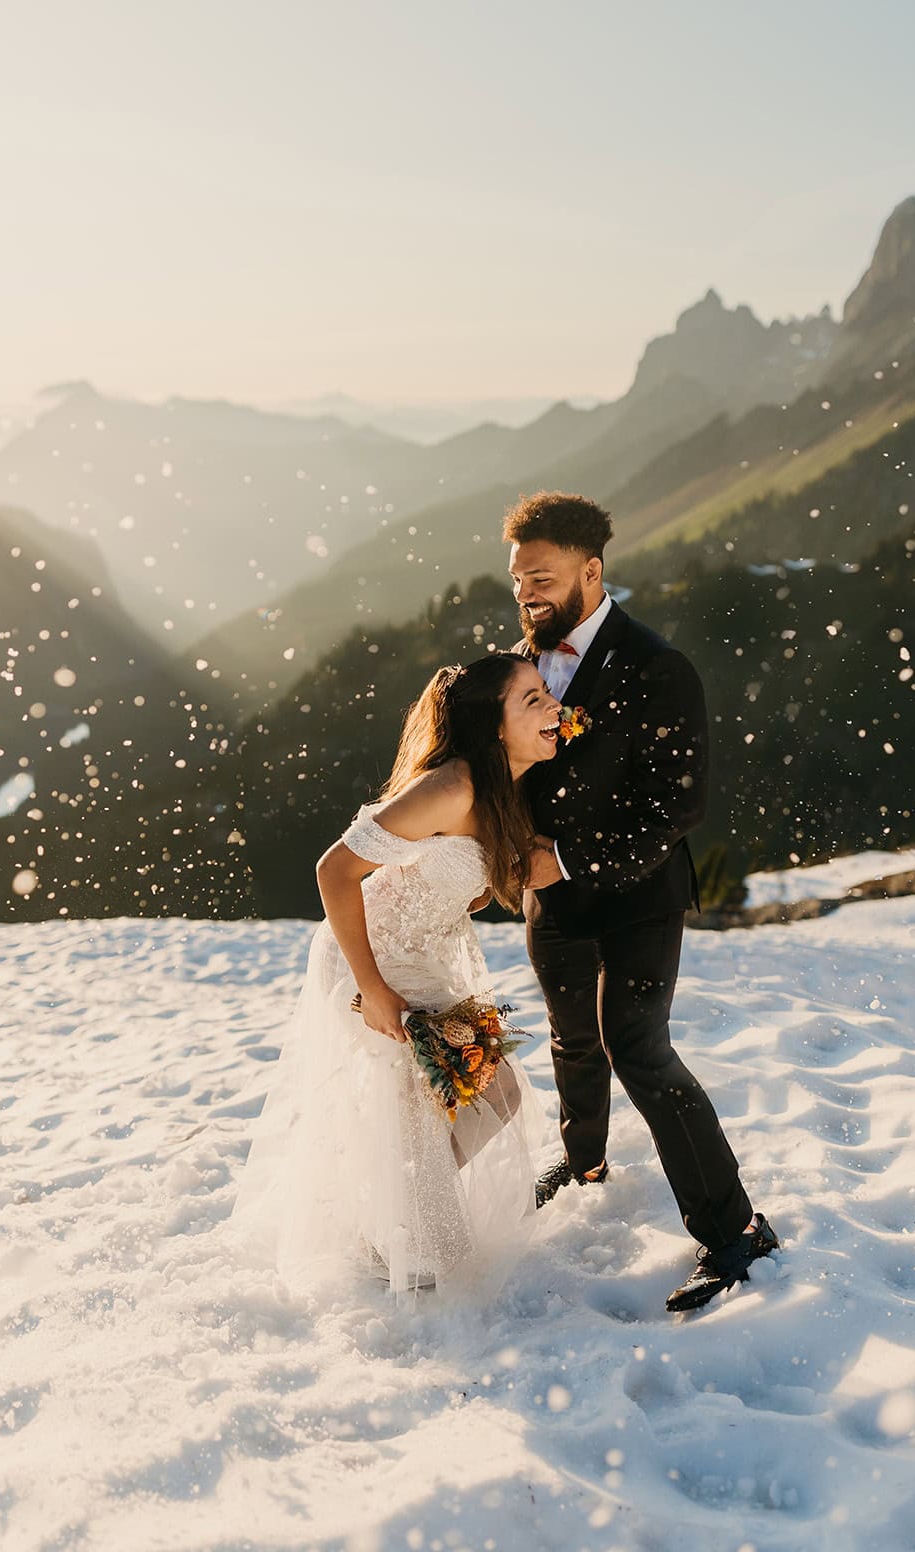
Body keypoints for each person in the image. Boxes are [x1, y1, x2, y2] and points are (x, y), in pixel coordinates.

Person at [505, 491, 779, 1313]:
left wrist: (568, 859)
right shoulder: (518, 664)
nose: (528, 595)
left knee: (638, 1049)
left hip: (637, 895)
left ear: (592, 572)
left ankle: (735, 1232)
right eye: (518, 579)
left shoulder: (658, 667)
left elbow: (678, 805)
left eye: (544, 579)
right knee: (570, 1038)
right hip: (548, 899)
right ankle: (582, 1158)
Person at [228, 653, 558, 1300]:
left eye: (547, 695)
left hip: (423, 956)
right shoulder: (452, 787)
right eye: (533, 700)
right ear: (493, 727)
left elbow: (453, 878)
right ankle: (402, 1250)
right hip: (369, 960)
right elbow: (333, 871)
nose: (554, 709)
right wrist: (373, 989)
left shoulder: (499, 792)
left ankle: (385, 1211)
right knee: (421, 1103)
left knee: (495, 1095)